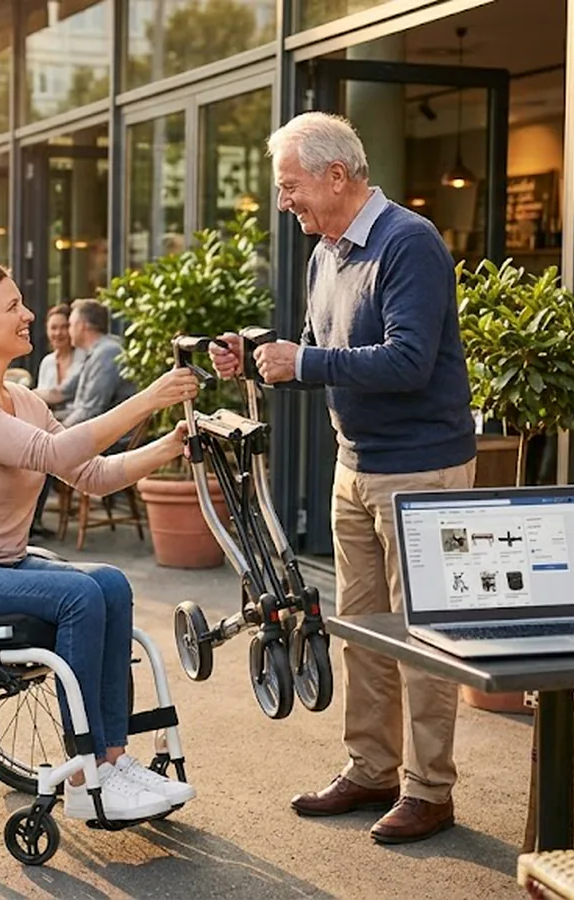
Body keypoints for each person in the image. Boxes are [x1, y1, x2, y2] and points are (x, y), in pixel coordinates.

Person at [208, 111, 476, 845]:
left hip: (422, 470)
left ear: (337, 174)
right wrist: (261, 353)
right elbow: (327, 352)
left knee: (425, 638)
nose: (283, 199)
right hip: (353, 466)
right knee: (362, 632)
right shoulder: (326, 251)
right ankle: (372, 768)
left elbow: (408, 360)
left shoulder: (408, 243)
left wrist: (308, 361)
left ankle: (430, 789)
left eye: (290, 185)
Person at [0, 262, 201, 823]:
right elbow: (51, 456)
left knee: (109, 582)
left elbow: (94, 475)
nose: (29, 314)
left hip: (2, 564)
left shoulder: (26, 401)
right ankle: (89, 778)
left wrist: (168, 446)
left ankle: (111, 759)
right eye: (13, 306)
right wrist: (148, 400)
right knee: (79, 596)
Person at [35, 299, 135, 428]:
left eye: (69, 325)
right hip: (98, 432)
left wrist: (58, 434)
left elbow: (91, 410)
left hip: (113, 440)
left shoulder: (107, 353)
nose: (68, 331)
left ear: (81, 326)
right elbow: (63, 392)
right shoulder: (94, 354)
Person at [35, 303, 86, 419]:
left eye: (64, 327)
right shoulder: (47, 362)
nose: (58, 333)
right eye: (53, 328)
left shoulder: (84, 358)